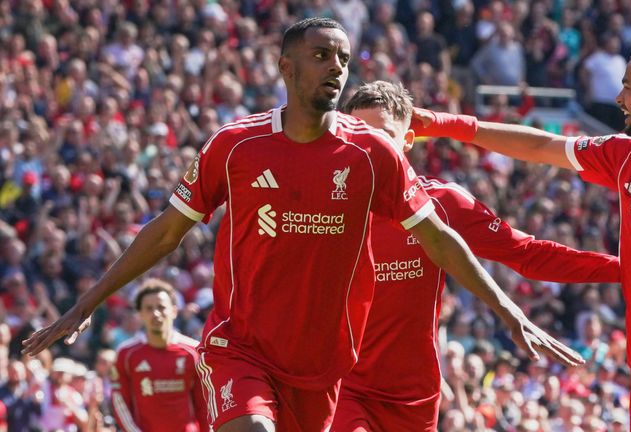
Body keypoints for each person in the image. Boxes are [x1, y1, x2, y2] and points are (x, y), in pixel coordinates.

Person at [22, 18, 581, 432]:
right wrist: (83, 306)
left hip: (321, 367)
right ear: (285, 67)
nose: (335, 68)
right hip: (240, 348)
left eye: (342, 58)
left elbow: (439, 239)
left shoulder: (372, 156)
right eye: (321, 56)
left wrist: (510, 312)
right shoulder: (236, 146)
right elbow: (167, 231)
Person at [411, 42, 631, 431]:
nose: (619, 98)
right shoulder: (627, 156)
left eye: (628, 87)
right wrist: (439, 123)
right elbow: (540, 145)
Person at [331, 80, 620, 431]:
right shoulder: (327, 204)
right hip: (344, 384)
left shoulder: (442, 203)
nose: (371, 146)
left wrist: (625, 270)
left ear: (406, 141)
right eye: (361, 134)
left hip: (414, 393)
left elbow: (527, 253)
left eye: (383, 135)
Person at [110, 278, 207, 432]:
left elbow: (205, 404)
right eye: (148, 308)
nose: (156, 313)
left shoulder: (194, 351)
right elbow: (120, 402)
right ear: (140, 314)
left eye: (161, 307)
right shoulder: (126, 354)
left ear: (174, 311)